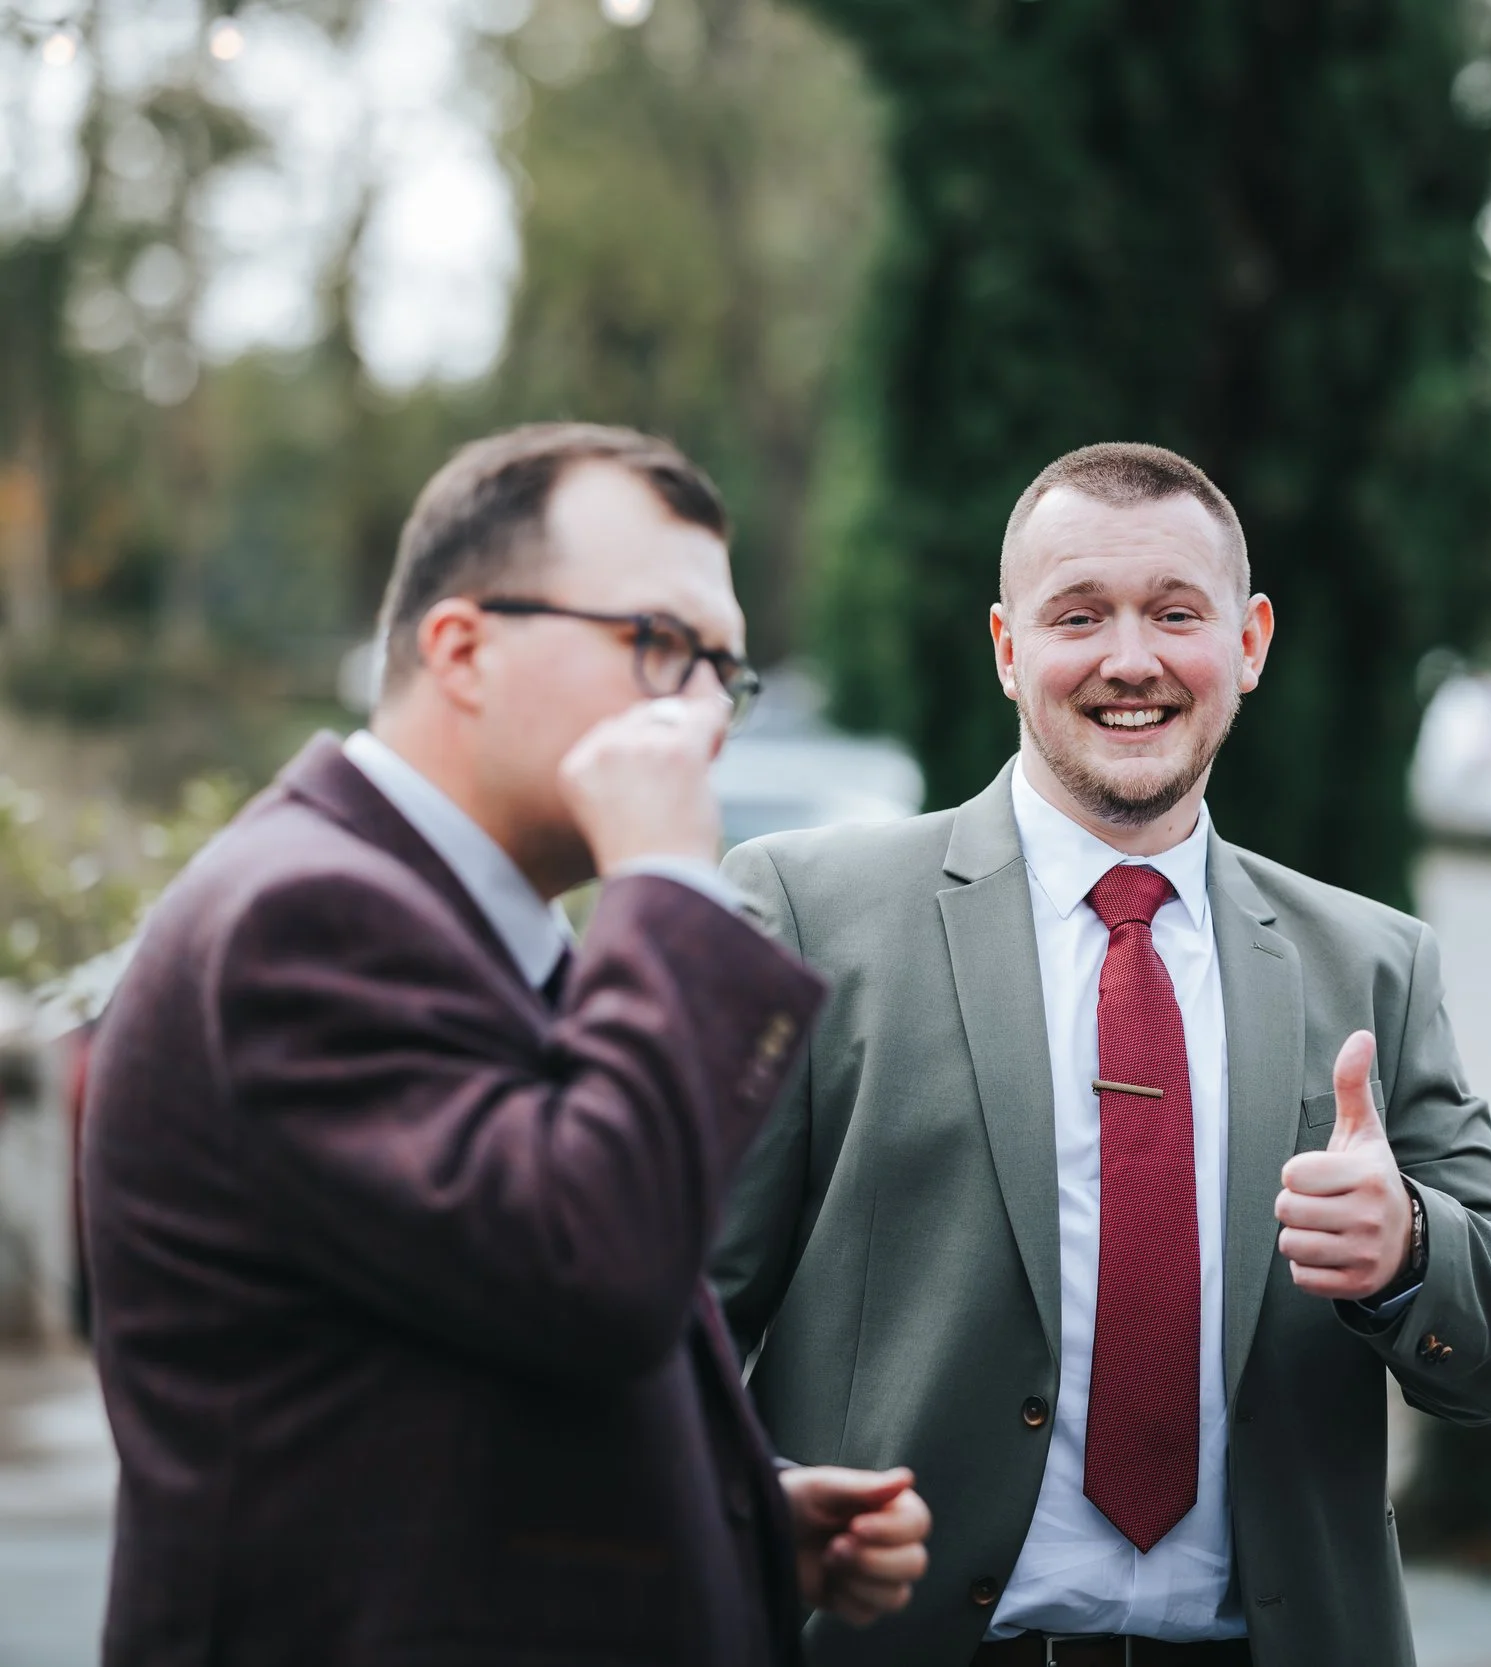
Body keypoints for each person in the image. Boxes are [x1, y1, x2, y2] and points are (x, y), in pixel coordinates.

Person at [712, 442, 1491, 1666]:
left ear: (1250, 641)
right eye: (1080, 616)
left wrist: (1408, 1252)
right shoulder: (811, 913)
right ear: (1009, 646)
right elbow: (671, 1313)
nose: (1131, 659)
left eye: (1176, 612)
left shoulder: (1373, 962)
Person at [81, 424, 931, 1666]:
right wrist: (666, 884)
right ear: (462, 648)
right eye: (657, 645)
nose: (703, 716)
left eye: (724, 672)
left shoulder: (448, 919)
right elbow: (600, 1263)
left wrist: (734, 1516)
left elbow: (484, 1334)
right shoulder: (303, 916)